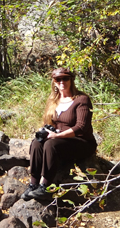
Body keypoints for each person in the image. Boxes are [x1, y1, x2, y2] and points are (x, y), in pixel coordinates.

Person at [22, 67, 97, 200]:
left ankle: (45, 186)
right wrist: (44, 131)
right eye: (58, 79)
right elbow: (48, 123)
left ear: (71, 80)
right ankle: (33, 184)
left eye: (65, 78)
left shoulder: (81, 99)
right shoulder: (53, 101)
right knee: (36, 143)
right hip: (60, 140)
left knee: (51, 144)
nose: (62, 82)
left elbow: (81, 127)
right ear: (54, 82)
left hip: (82, 142)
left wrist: (57, 135)